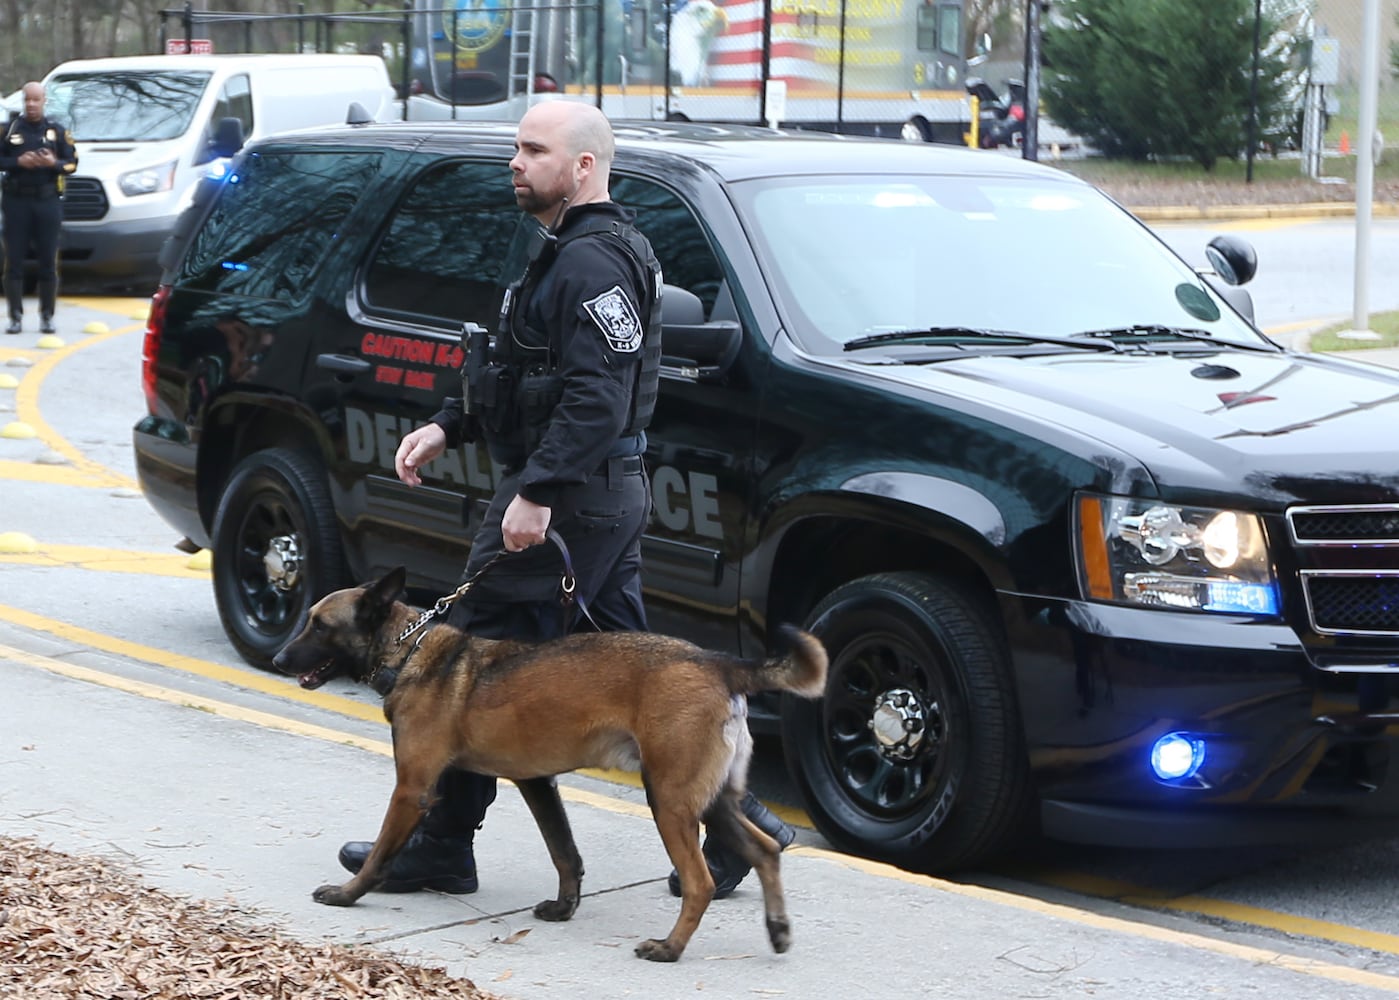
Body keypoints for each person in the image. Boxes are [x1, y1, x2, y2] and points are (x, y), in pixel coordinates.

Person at [336, 100, 793, 902]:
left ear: (583, 167)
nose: (514, 161)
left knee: (464, 660)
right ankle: (735, 830)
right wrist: (449, 423)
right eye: (515, 147)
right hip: (594, 493)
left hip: (571, 494)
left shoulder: (591, 263)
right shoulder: (566, 251)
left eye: (532, 149)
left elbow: (595, 398)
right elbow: (519, 367)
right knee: (639, 671)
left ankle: (439, 845)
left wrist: (538, 492)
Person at [0, 81, 77, 335]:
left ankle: (47, 316)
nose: (31, 104)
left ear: (44, 100)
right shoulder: (9, 129)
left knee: (48, 261)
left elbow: (72, 164)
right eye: (27, 100)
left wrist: (54, 163)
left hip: (47, 202)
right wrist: (17, 162)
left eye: (36, 99)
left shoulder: (56, 129)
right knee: (14, 261)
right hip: (16, 201)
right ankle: (15, 317)